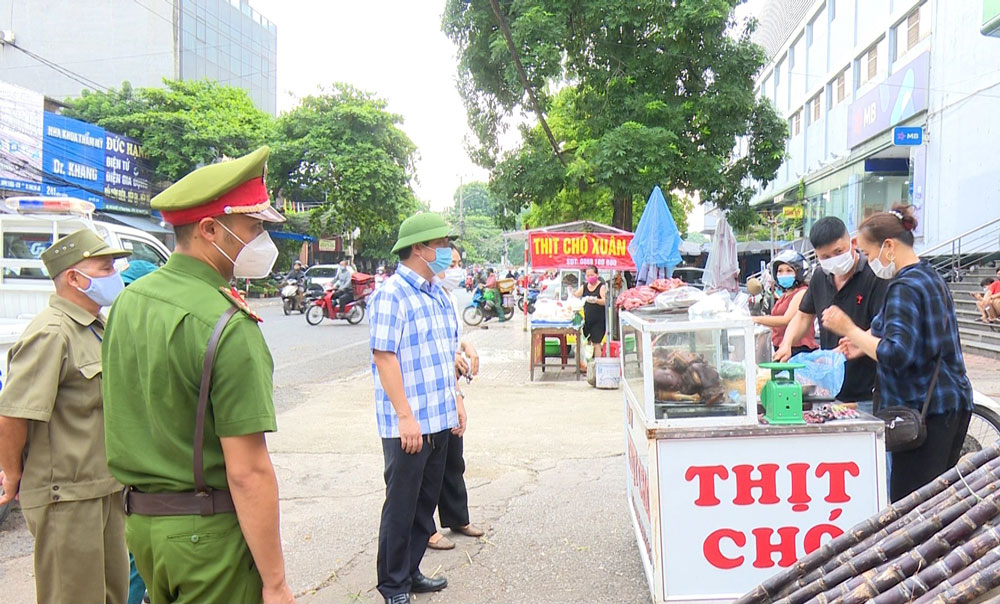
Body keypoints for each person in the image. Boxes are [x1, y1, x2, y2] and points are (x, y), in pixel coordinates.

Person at [102, 147, 295, 604]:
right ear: (210, 229)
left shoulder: (129, 302)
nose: (262, 241)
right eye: (254, 228)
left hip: (144, 530)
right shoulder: (229, 325)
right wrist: (276, 582)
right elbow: (248, 473)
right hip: (208, 540)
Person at [0, 228, 131, 604]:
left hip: (103, 488)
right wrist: (14, 475)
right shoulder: (52, 333)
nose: (113, 276)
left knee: (110, 596)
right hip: (66, 498)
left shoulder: (95, 327)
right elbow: (12, 415)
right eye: (104, 268)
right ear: (74, 277)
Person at [822, 206, 973, 502]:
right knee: (936, 504)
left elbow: (896, 354)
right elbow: (893, 335)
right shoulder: (929, 276)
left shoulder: (903, 287)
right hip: (950, 404)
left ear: (888, 246)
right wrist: (861, 343)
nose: (867, 260)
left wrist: (849, 329)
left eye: (867, 252)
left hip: (924, 412)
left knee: (913, 509)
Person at [369, 213, 465, 604]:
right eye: (440, 243)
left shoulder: (439, 295)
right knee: (402, 506)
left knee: (424, 506)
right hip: (409, 423)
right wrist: (405, 417)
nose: (447, 251)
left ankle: (411, 572)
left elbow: (447, 356)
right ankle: (392, 584)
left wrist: (457, 400)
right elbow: (384, 357)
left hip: (440, 416)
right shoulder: (392, 294)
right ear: (419, 249)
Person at [775, 217, 888, 405]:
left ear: (852, 243)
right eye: (825, 257)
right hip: (828, 391)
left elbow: (883, 327)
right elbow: (803, 316)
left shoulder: (875, 274)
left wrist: (846, 346)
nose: (833, 260)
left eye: (838, 252)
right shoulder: (820, 276)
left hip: (867, 392)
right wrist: (786, 344)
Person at [427, 243, 485, 551]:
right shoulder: (425, 296)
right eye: (453, 263)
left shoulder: (447, 297)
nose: (458, 270)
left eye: (460, 263)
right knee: (430, 464)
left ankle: (456, 517)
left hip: (451, 386)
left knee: (452, 455)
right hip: (432, 391)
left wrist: (466, 346)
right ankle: (426, 528)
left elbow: (450, 336)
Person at [753, 250, 818, 357]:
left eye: (789, 271)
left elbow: (786, 319)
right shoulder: (784, 296)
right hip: (781, 348)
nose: (783, 274)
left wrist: (756, 319)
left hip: (798, 350)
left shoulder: (802, 292)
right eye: (780, 271)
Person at [574, 266, 608, 360]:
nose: (589, 277)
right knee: (587, 343)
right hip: (587, 320)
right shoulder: (584, 287)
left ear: (597, 275)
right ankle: (587, 365)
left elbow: (605, 301)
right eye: (588, 275)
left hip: (599, 321)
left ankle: (597, 366)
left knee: (596, 344)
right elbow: (576, 295)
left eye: (592, 275)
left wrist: (596, 300)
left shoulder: (601, 287)